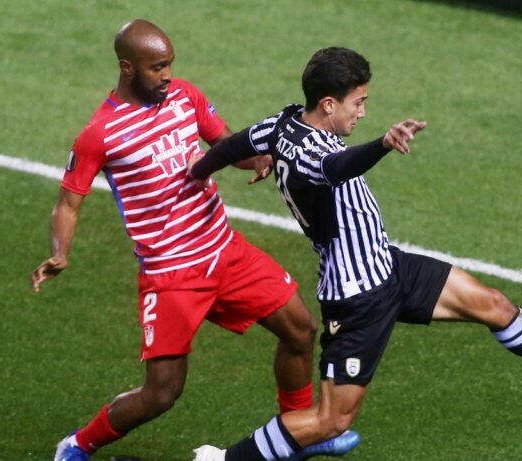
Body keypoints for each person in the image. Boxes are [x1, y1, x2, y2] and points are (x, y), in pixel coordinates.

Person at [189, 47, 522, 460]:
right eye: (357, 103)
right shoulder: (309, 154)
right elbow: (337, 166)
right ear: (328, 104)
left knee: (495, 305)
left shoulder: (283, 123)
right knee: (331, 421)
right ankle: (224, 459)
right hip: (357, 296)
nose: (362, 112)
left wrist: (199, 172)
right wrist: (383, 145)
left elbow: (237, 143)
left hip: (388, 265)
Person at [31, 22, 359, 461]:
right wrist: (60, 253)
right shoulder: (100, 134)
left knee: (301, 329)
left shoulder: (185, 96)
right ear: (127, 68)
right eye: (157, 67)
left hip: (225, 251)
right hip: (172, 274)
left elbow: (224, 143)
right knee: (161, 393)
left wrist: (257, 158)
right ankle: (78, 444)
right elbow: (69, 202)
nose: (167, 75)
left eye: (169, 64)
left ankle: (300, 435)